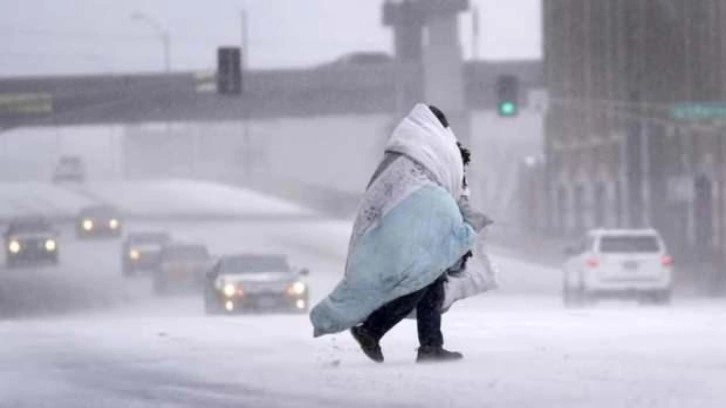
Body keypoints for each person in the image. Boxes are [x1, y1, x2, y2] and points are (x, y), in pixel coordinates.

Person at [310, 103, 489, 363]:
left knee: (431, 282)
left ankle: (430, 345)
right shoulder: (438, 148)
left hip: (400, 223)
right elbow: (451, 187)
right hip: (418, 223)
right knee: (421, 280)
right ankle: (373, 330)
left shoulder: (403, 152)